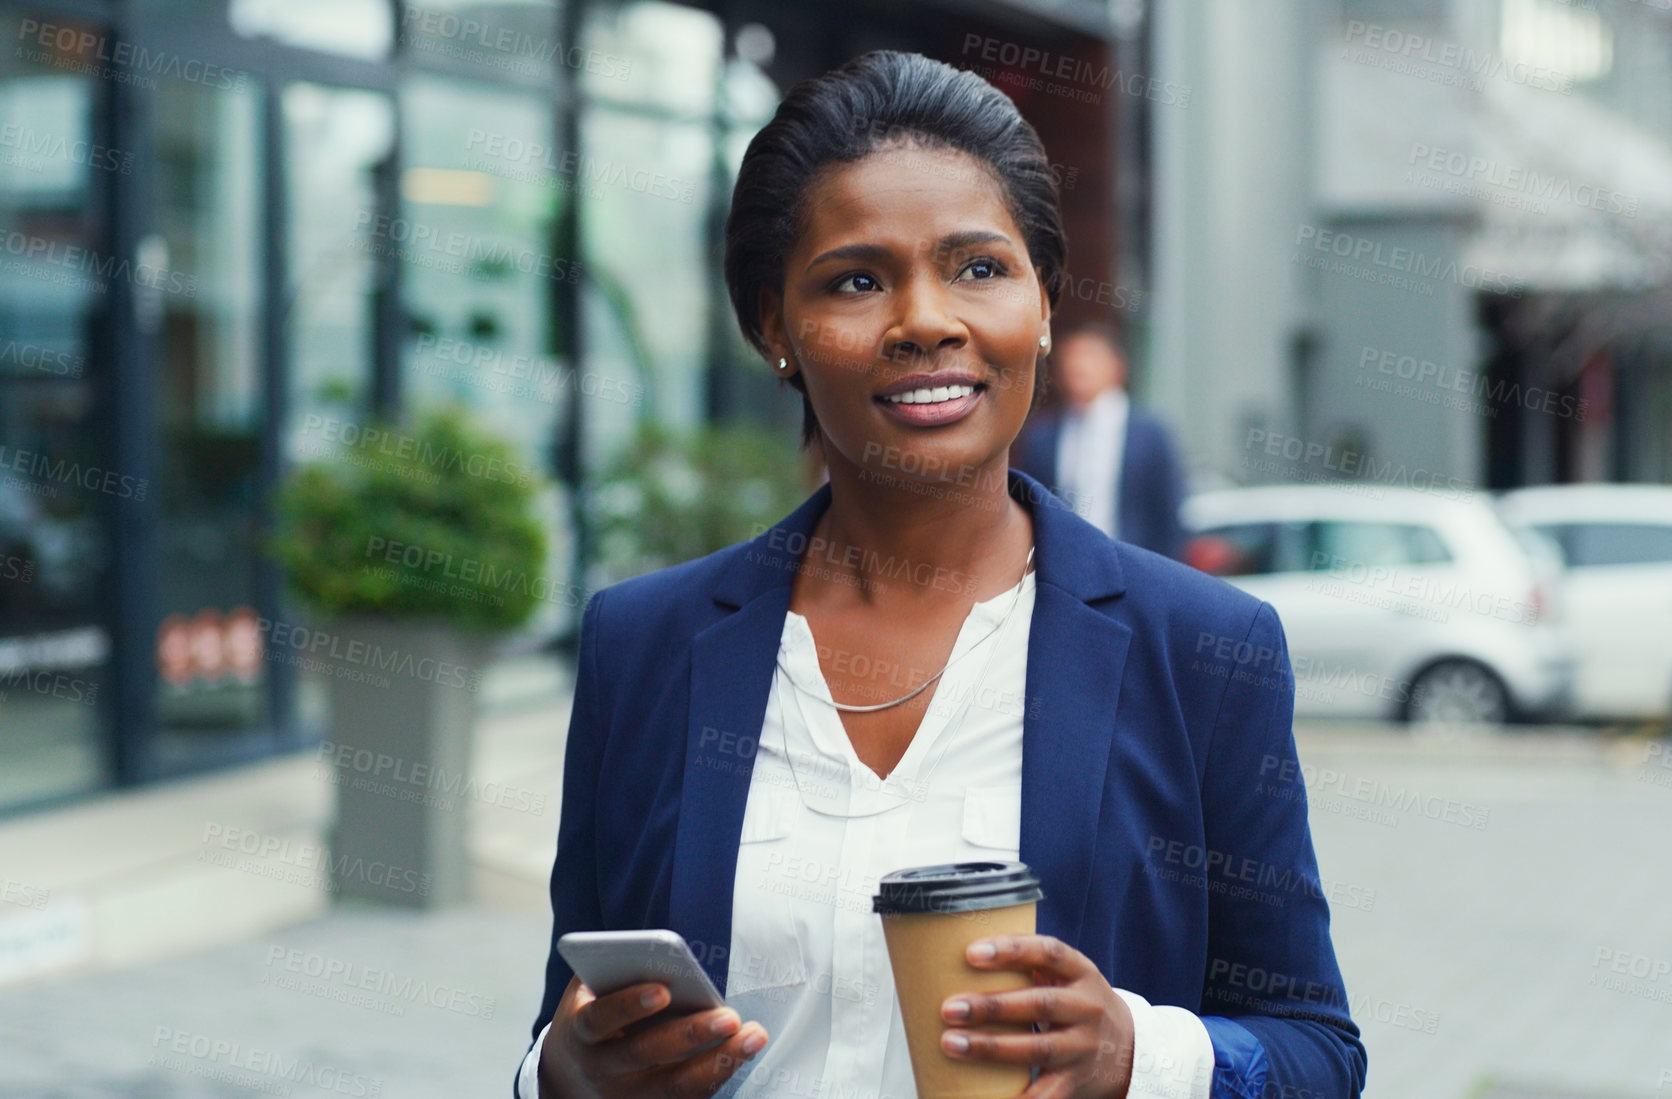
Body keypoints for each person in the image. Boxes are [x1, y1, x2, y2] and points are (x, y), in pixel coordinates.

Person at [519, 50, 1364, 1099]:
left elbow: (1315, 1052)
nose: (925, 319)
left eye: (978, 267)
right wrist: (556, 1073)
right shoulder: (641, 645)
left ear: (1045, 304)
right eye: (857, 280)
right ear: (773, 328)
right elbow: (570, 1024)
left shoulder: (1203, 648)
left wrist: (1138, 1056)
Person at [1014, 325, 1187, 560]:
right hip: (1067, 564)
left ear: (1116, 366)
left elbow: (1168, 513)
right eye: (1070, 360)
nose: (1078, 367)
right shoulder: (1043, 435)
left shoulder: (1149, 433)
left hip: (1136, 563)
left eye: (1089, 356)